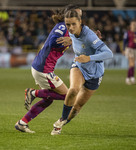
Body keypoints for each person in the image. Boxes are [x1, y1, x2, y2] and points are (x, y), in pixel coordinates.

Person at [15, 5, 82, 133]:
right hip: (43, 69)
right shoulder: (63, 26)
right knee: (67, 95)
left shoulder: (69, 29)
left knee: (48, 100)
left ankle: (22, 123)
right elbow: (52, 42)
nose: (79, 18)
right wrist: (70, 41)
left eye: (80, 15)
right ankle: (33, 93)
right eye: (77, 14)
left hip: (42, 67)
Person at [51, 9, 113, 135]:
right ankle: (61, 120)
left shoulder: (89, 35)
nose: (71, 27)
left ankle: (61, 124)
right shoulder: (72, 32)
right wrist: (72, 40)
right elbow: (77, 12)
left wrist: (89, 58)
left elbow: (109, 53)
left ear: (80, 22)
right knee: (73, 90)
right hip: (79, 66)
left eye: (74, 24)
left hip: (95, 74)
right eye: (68, 25)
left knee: (76, 108)